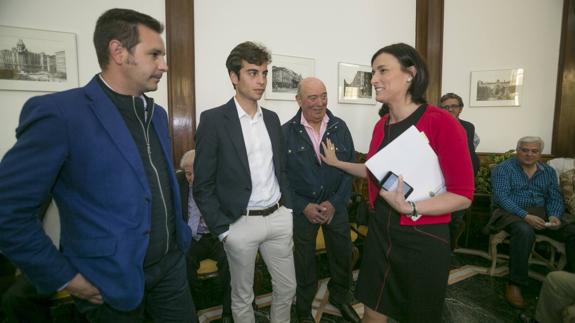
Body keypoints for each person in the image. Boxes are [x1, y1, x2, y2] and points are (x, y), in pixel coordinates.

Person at [0, 8, 196, 322]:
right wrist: (66, 278)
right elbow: (7, 211)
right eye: (155, 54)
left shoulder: (156, 115)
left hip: (171, 271)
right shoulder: (61, 114)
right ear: (118, 51)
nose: (165, 65)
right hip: (107, 283)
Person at [321, 43, 475, 323]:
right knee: (372, 311)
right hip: (381, 233)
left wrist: (412, 207)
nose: (374, 79)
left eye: (382, 71)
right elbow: (374, 172)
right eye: (372, 72)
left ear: (410, 74)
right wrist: (337, 164)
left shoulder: (441, 123)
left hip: (423, 240)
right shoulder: (382, 126)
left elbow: (463, 195)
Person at [193, 41, 296, 323]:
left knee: (288, 288)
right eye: (253, 73)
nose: (261, 81)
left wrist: (287, 210)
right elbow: (202, 184)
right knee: (242, 298)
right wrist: (224, 230)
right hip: (240, 222)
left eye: (264, 73)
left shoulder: (273, 119)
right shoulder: (214, 120)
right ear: (233, 77)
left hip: (277, 217)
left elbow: (281, 170)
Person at [282, 77, 360, 323]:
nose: (319, 103)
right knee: (303, 263)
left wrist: (335, 203)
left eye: (324, 96)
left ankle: (340, 298)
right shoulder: (285, 132)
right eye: (312, 97)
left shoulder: (340, 127)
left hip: (334, 207)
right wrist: (302, 206)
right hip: (303, 209)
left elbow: (350, 169)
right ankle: (303, 309)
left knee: (342, 257)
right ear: (299, 100)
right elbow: (281, 178)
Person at [485, 136, 575, 309]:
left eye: (534, 151)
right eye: (524, 150)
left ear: (540, 153)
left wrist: (554, 216)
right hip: (510, 212)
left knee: (572, 230)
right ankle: (515, 284)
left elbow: (554, 197)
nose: (529, 154)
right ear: (517, 150)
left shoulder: (548, 172)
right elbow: (502, 198)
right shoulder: (504, 169)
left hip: (541, 213)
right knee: (524, 231)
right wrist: (526, 216)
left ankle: (569, 283)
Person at [178, 150, 233, 323]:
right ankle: (192, 309)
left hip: (216, 236)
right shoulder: (179, 183)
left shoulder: (217, 182)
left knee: (231, 260)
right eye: (187, 173)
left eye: (195, 173)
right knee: (183, 262)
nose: (191, 178)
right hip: (192, 237)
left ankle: (228, 312)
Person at [439, 92, 480, 249]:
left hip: (463, 181)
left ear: (460, 108)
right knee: (442, 218)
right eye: (445, 107)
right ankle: (441, 252)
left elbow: (471, 150)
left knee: (456, 219)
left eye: (454, 106)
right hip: (442, 181)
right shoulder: (436, 125)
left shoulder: (469, 127)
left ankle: (451, 251)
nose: (450, 109)